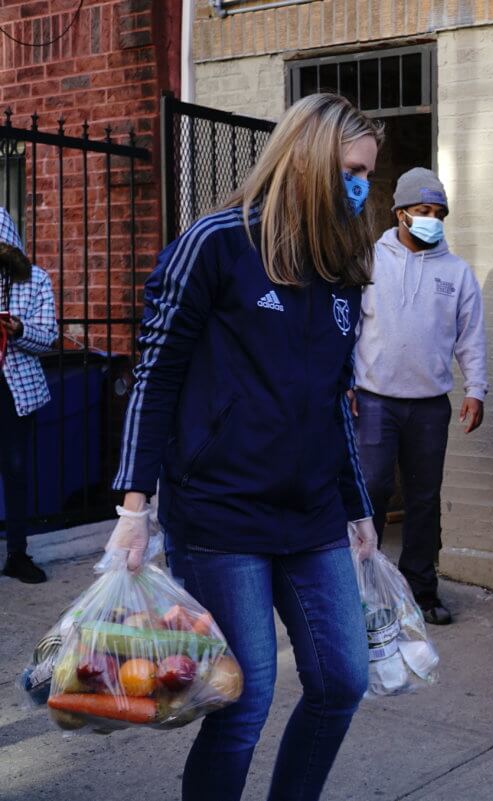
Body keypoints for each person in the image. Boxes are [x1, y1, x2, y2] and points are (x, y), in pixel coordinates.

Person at [107, 93, 383, 801]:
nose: (362, 186)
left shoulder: (341, 269)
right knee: (244, 696)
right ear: (312, 163)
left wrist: (357, 507)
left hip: (312, 513)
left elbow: (334, 401)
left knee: (342, 677)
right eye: (351, 170)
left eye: (367, 174)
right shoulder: (219, 244)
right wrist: (134, 504)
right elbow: (156, 372)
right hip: (222, 512)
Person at [350, 167, 487, 626]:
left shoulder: (457, 273)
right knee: (370, 489)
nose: (431, 219)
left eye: (438, 213)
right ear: (400, 214)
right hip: (373, 400)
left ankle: (420, 592)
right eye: (423, 211)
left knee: (424, 499)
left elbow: (470, 337)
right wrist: (343, 383)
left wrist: (477, 389)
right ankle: (360, 589)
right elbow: (348, 328)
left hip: (430, 403)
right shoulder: (369, 261)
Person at [0, 208, 58, 584]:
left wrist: (18, 329)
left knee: (17, 470)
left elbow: (49, 335)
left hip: (16, 390)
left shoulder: (36, 279)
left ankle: (17, 553)